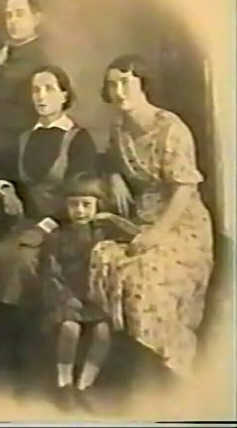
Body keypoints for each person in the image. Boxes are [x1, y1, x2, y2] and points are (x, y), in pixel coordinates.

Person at [89, 54, 214, 381]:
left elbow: (185, 187)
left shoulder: (170, 128)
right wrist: (114, 176)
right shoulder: (119, 127)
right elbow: (112, 159)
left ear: (143, 84)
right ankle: (124, 360)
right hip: (139, 220)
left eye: (125, 83)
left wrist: (157, 233)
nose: (119, 92)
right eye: (112, 85)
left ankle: (166, 364)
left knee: (146, 273)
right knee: (103, 258)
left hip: (180, 224)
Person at [0, 66, 98, 380]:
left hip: (68, 226)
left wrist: (45, 227)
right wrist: (6, 190)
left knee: (23, 259)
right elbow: (2, 172)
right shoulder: (25, 138)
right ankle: (15, 345)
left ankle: (30, 349)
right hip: (28, 224)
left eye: (49, 89)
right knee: (5, 253)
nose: (41, 96)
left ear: (64, 95)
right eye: (36, 90)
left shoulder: (79, 139)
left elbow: (81, 194)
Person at [38, 173, 139, 411]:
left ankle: (85, 385)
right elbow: (51, 273)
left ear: (97, 207)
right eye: (74, 204)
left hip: (94, 297)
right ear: (66, 206)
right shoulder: (57, 236)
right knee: (70, 328)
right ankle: (64, 384)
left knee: (103, 332)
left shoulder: (102, 233)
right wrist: (65, 298)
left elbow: (136, 237)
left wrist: (112, 218)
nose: (80, 211)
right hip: (65, 297)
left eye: (87, 204)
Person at [0, 0, 49, 139]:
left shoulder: (40, 58)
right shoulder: (5, 52)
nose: (13, 21)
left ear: (36, 18)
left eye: (20, 14)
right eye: (9, 15)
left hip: (20, 137)